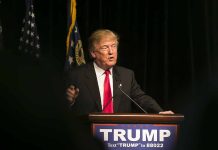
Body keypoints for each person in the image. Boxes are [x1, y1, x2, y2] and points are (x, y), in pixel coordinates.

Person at [65, 29, 174, 116]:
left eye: (114, 46)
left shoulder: (126, 75)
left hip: (119, 135)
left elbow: (141, 98)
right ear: (93, 53)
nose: (111, 52)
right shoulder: (77, 75)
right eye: (105, 47)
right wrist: (70, 102)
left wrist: (159, 112)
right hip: (88, 136)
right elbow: (61, 107)